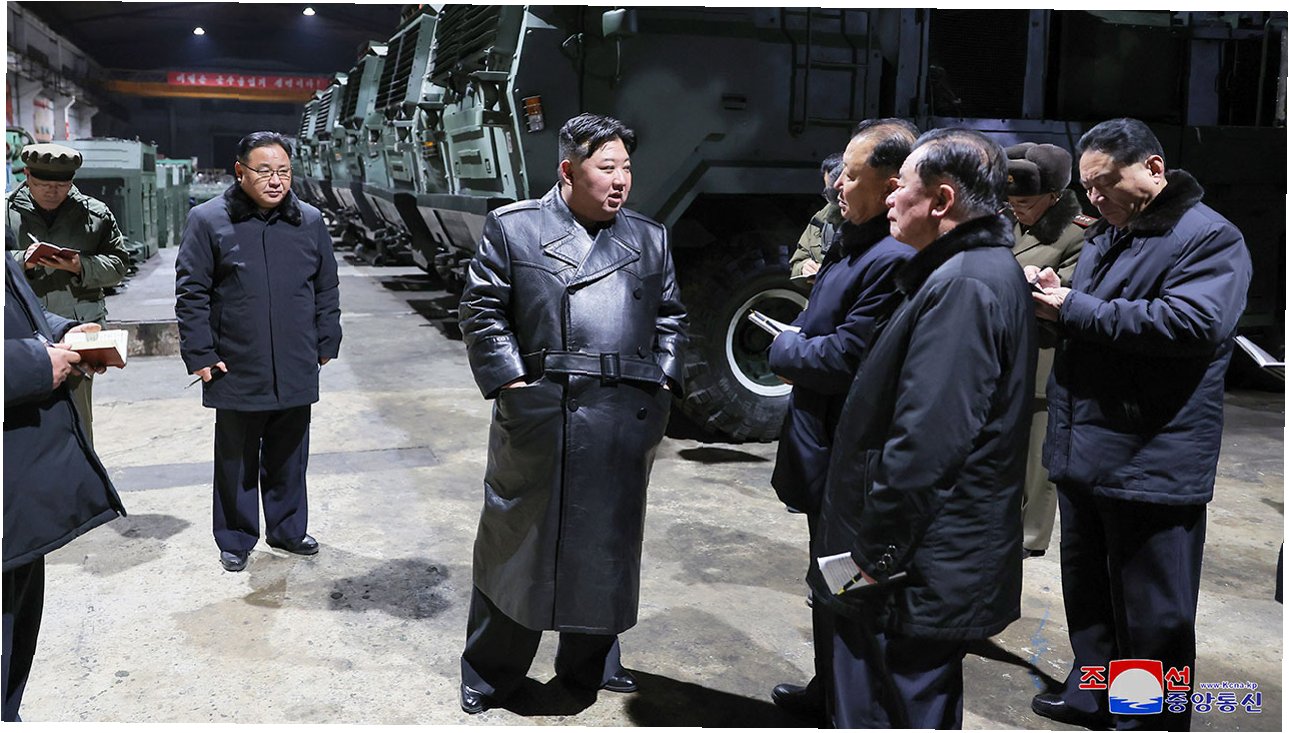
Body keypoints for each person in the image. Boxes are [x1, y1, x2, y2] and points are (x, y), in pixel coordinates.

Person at [456, 113, 687, 715]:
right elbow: (481, 309)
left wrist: (664, 380)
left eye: (626, 168)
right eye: (606, 167)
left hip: (621, 416)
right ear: (567, 170)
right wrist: (513, 382)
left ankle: (592, 662)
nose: (621, 180)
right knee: (518, 542)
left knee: (606, 543)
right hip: (544, 412)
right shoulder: (515, 227)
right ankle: (490, 671)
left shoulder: (650, 236)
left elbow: (671, 317)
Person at [1028, 118, 1251, 732]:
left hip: (1150, 455)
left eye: (1105, 183)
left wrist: (1075, 306)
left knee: (1152, 615)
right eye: (1087, 187)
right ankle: (1093, 695)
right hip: (1086, 445)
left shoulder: (1208, 237)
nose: (1095, 196)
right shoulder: (1110, 232)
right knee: (1091, 595)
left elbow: (1193, 324)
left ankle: (1146, 721)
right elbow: (1100, 313)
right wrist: (1055, 295)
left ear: (1153, 169)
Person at [811, 128, 1035, 729]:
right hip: (923, 556)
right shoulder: (968, 270)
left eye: (901, 186)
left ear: (941, 200)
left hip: (914, 565)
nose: (889, 197)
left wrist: (872, 558)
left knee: (889, 705)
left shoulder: (964, 285)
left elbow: (927, 443)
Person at [766, 119, 918, 723]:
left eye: (851, 177)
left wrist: (786, 348)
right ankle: (829, 687)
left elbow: (847, 356)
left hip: (851, 461)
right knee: (827, 581)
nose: (837, 186)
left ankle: (850, 707)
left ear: (891, 185)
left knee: (851, 588)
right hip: (823, 447)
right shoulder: (854, 241)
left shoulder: (893, 259)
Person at [175, 131, 342, 574]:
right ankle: (235, 537)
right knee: (237, 456)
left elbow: (326, 285)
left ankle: (287, 530)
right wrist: (200, 353)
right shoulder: (208, 220)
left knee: (290, 453)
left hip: (295, 358)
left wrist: (327, 337)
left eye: (283, 171)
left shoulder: (309, 220)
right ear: (240, 172)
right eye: (264, 171)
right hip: (236, 362)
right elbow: (192, 293)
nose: (275, 181)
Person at [3, 238, 126, 722]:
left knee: (17, 627)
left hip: (19, 495)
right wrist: (37, 364)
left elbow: (14, 310)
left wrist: (65, 333)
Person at [1004, 142, 1095, 558]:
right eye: (1012, 202)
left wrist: (1038, 286)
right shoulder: (1006, 221)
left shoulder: (1078, 234)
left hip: (1044, 354)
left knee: (1039, 453)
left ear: (1053, 197)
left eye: (1025, 203)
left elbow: (1075, 295)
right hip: (1004, 348)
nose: (1016, 209)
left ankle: (1030, 536)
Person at [5, 143, 131, 444]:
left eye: (61, 186)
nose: (52, 192)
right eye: (42, 185)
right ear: (27, 175)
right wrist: (22, 261)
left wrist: (80, 266)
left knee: (77, 417)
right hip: (23, 331)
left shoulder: (94, 215)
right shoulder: (6, 213)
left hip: (79, 328)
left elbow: (118, 265)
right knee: (23, 417)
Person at [789, 152, 846, 282]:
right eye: (831, 193)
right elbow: (797, 262)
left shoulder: (872, 220)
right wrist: (804, 267)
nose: (839, 199)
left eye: (841, 190)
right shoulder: (820, 220)